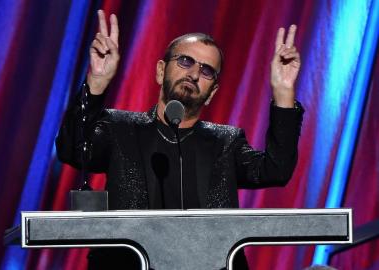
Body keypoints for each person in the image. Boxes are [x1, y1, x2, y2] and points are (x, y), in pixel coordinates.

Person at [56, 9, 304, 270]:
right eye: (185, 61)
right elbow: (71, 149)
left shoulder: (226, 143)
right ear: (161, 71)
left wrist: (283, 92)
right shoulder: (120, 128)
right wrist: (96, 82)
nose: (194, 74)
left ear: (211, 93)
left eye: (207, 70)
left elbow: (276, 170)